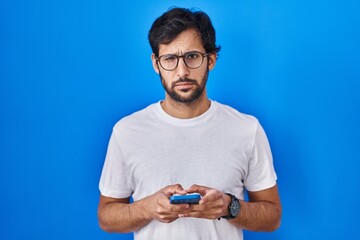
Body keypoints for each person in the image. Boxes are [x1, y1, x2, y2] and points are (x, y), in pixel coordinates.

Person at [98, 7, 281, 240]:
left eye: (192, 57)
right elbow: (106, 216)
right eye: (170, 59)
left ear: (211, 59)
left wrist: (229, 207)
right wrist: (146, 208)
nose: (182, 71)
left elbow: (272, 216)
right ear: (156, 64)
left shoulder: (246, 128)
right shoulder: (126, 131)